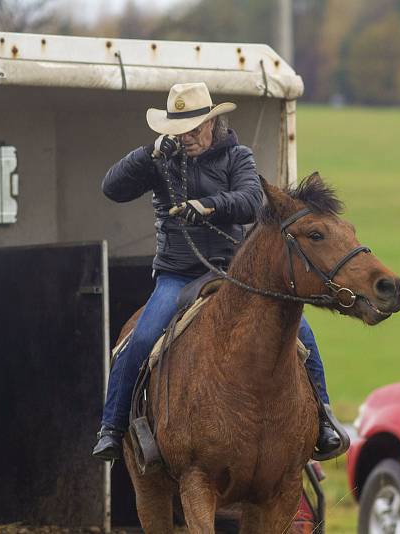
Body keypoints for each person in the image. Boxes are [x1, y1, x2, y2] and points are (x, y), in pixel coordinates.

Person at [92, 82, 340, 460]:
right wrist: (147, 155)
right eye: (179, 131)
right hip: (176, 274)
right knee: (140, 341)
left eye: (194, 129)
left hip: (232, 273)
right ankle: (112, 428)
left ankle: (323, 419)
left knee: (302, 334)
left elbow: (248, 202)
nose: (187, 137)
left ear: (212, 124)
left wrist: (207, 205)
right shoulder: (162, 161)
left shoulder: (238, 156)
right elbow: (112, 188)